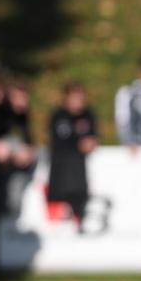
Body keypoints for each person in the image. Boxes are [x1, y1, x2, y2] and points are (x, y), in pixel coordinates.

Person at [48, 82, 97, 232]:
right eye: (75, 97)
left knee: (80, 207)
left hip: (80, 178)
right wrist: (79, 145)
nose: (78, 101)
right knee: (62, 214)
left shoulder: (88, 115)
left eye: (80, 98)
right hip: (62, 175)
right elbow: (58, 142)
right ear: (66, 98)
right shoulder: (58, 117)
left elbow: (93, 138)